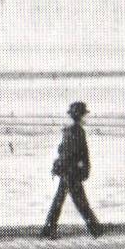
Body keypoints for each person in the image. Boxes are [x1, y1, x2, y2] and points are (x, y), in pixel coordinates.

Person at [40, 101, 103, 240]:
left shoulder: (68, 131)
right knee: (80, 202)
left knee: (61, 200)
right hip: (72, 172)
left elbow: (62, 149)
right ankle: (95, 229)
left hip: (66, 171)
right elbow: (80, 153)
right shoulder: (78, 131)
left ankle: (48, 228)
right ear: (81, 116)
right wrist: (84, 169)